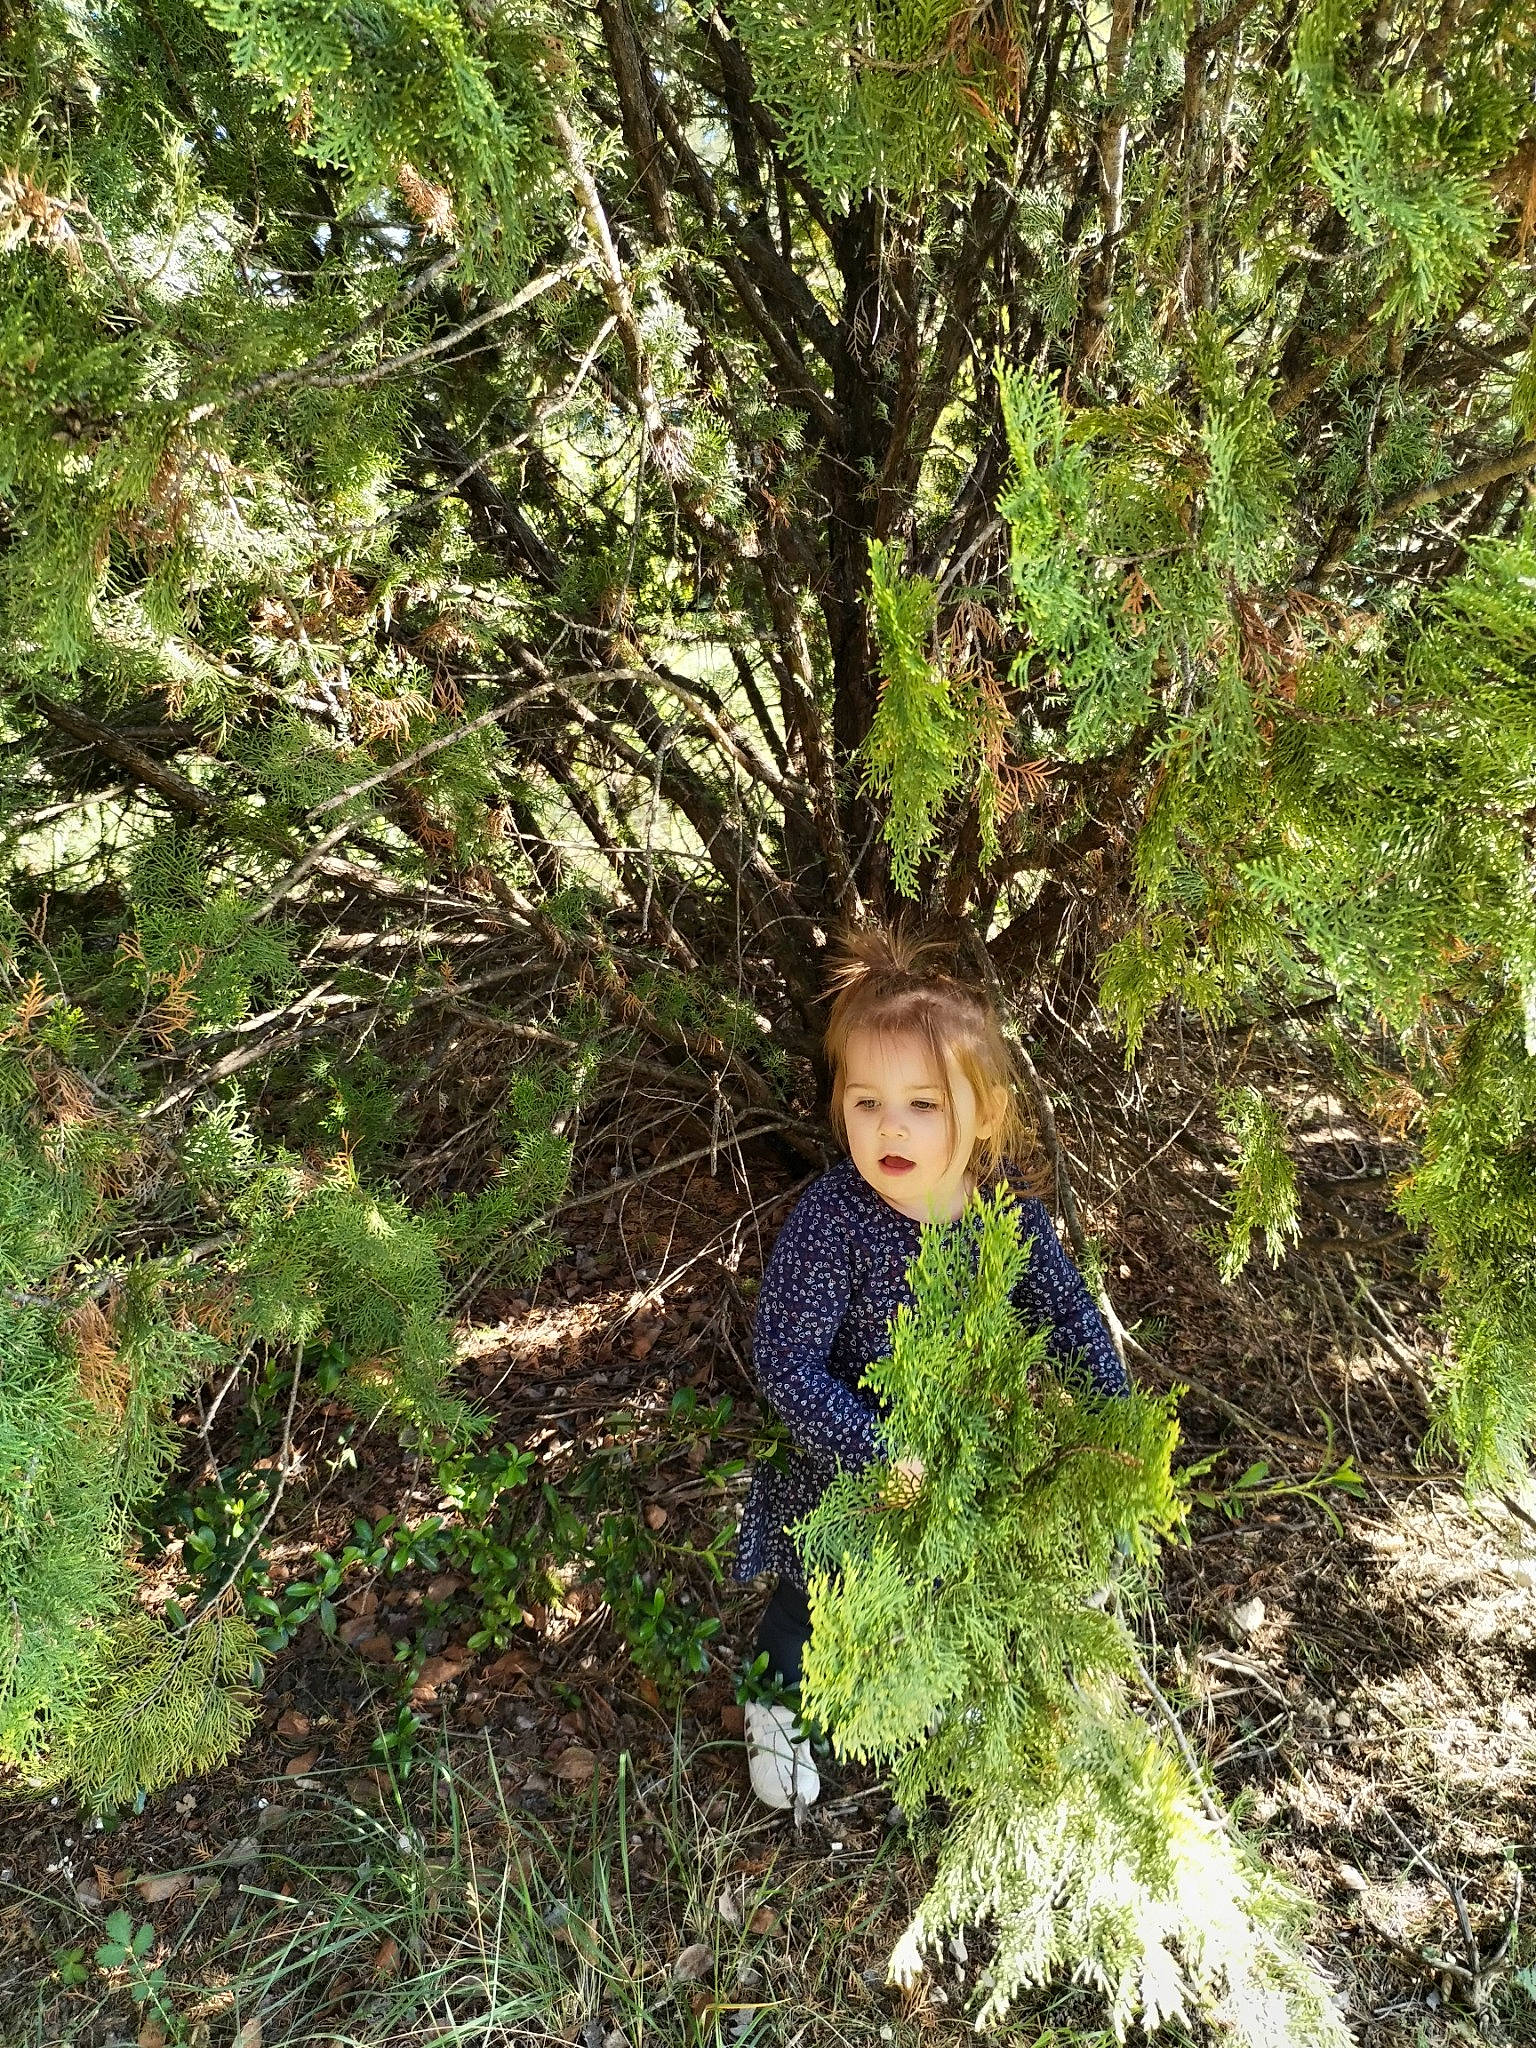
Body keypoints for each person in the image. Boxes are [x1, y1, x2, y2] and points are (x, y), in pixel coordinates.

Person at [734, 923, 1129, 1809]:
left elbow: (1069, 1317)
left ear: (980, 1112)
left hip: (960, 1455)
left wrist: (1113, 1421)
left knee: (946, 1579)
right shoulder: (835, 1218)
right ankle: (774, 1695)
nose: (890, 1128)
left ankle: (923, 1691)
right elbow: (786, 1360)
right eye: (867, 1102)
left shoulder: (1005, 1218)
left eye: (923, 1104)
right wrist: (877, 1458)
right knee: (821, 1589)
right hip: (846, 1462)